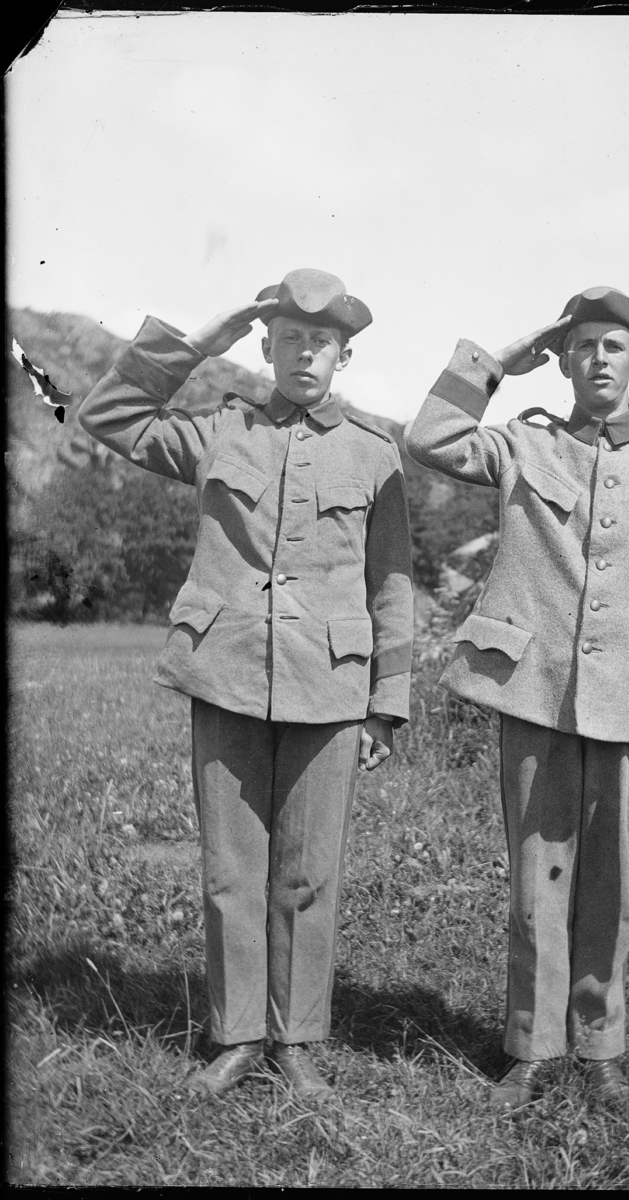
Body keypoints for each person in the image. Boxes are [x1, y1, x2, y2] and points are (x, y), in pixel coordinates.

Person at [79, 269, 414, 1103]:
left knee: (309, 874)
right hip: (225, 672)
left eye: (322, 342)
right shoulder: (221, 432)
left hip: (330, 689)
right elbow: (107, 415)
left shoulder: (374, 453)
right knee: (231, 872)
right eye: (290, 338)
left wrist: (387, 704)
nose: (305, 353)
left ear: (345, 355)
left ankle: (294, 1042)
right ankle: (236, 1038)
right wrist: (199, 342)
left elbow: (392, 585)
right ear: (265, 346)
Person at [405, 286, 629, 1111]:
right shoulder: (524, 447)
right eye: (584, 346)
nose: (600, 359)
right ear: (564, 360)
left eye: (615, 346)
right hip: (536, 694)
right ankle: (533, 1048)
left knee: (612, 884)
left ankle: (600, 1047)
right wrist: (499, 361)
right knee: (537, 881)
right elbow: (428, 438)